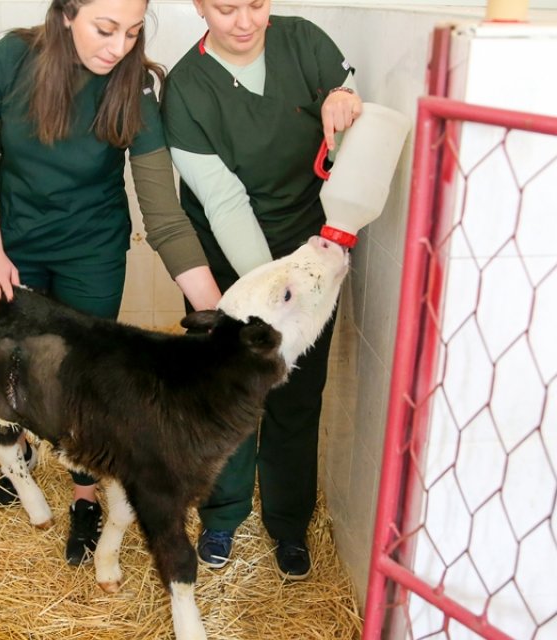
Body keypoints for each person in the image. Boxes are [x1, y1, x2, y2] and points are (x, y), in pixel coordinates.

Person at [0, 0, 222, 567]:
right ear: (66, 14)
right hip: (17, 244)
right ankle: (20, 449)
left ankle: (83, 496)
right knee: (21, 367)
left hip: (94, 248)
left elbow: (165, 216)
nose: (119, 46)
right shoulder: (11, 59)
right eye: (105, 29)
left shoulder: (136, 85)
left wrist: (216, 312)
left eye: (131, 32)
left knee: (82, 380)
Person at [160, 0, 362, 581]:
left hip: (311, 251)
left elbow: (345, 102)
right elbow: (224, 202)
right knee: (227, 398)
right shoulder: (186, 90)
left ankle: (290, 524)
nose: (245, 21)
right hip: (234, 269)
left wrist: (344, 99)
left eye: (257, 3)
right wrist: (273, 304)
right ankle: (222, 515)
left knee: (298, 395)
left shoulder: (305, 43)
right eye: (225, 8)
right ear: (199, 6)